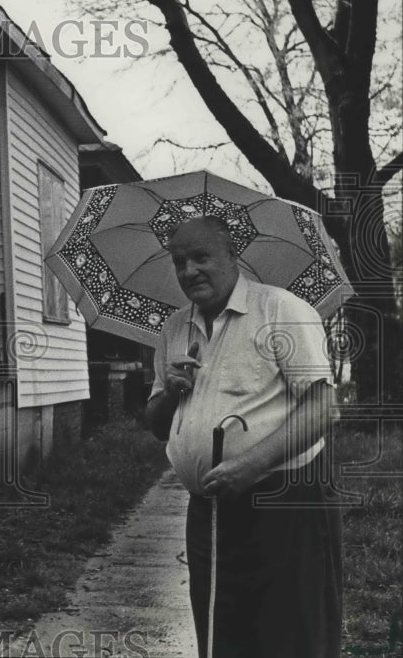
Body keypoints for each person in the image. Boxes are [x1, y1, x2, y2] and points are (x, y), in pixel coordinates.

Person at [144, 215, 342, 658]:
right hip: (209, 507)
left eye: (201, 257)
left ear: (233, 256)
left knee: (289, 634)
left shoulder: (281, 310)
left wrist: (248, 466)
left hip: (284, 501)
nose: (189, 271)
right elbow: (156, 423)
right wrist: (171, 391)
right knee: (220, 630)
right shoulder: (175, 328)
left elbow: (323, 408)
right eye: (180, 262)